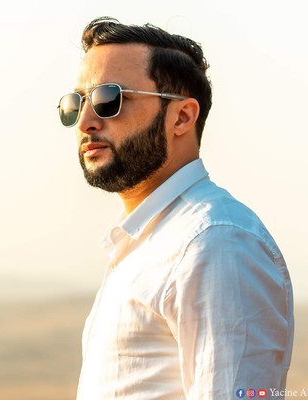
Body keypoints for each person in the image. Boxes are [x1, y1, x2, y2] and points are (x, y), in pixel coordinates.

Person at [57, 16, 294, 400]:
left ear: (182, 117)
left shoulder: (215, 243)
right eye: (75, 103)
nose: (85, 122)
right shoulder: (151, 241)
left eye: (109, 99)